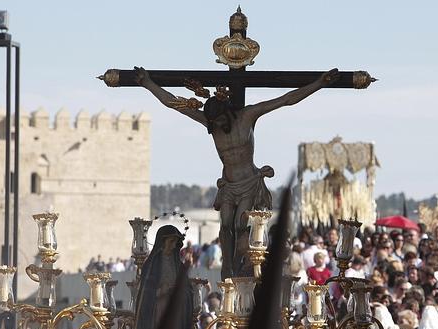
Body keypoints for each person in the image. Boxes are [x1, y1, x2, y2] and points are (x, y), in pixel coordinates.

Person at [134, 66, 340, 279]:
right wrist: (148, 83)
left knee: (240, 225)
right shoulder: (210, 123)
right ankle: (227, 269)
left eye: (221, 121)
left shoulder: (247, 116)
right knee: (225, 227)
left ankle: (240, 265)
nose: (217, 125)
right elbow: (173, 103)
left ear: (228, 113)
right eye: (213, 123)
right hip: (229, 185)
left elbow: (286, 99)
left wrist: (319, 84)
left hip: (249, 182)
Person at [133, 225, 193, 329]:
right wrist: (160, 291)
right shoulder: (151, 265)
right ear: (162, 242)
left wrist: (180, 291)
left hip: (176, 311)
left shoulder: (179, 266)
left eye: (175, 243)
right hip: (158, 310)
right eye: (170, 242)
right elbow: (145, 294)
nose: (173, 246)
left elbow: (187, 290)